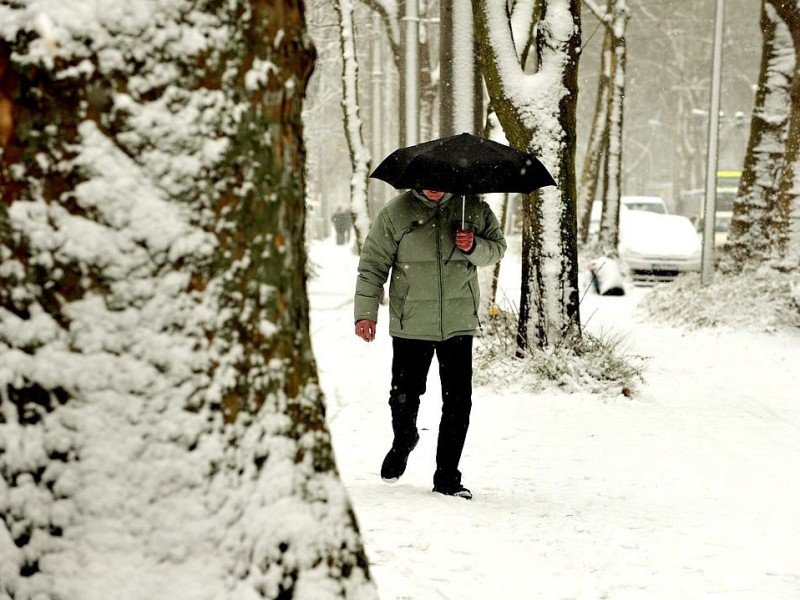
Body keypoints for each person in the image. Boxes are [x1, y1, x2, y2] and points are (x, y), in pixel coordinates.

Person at [353, 188, 506, 500]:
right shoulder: (397, 212)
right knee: (404, 396)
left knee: (458, 402)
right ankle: (404, 439)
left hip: (458, 321)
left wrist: (473, 245)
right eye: (427, 180)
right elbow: (372, 265)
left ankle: (447, 476)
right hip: (411, 322)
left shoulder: (472, 207)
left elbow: (497, 249)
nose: (434, 186)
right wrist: (365, 314)